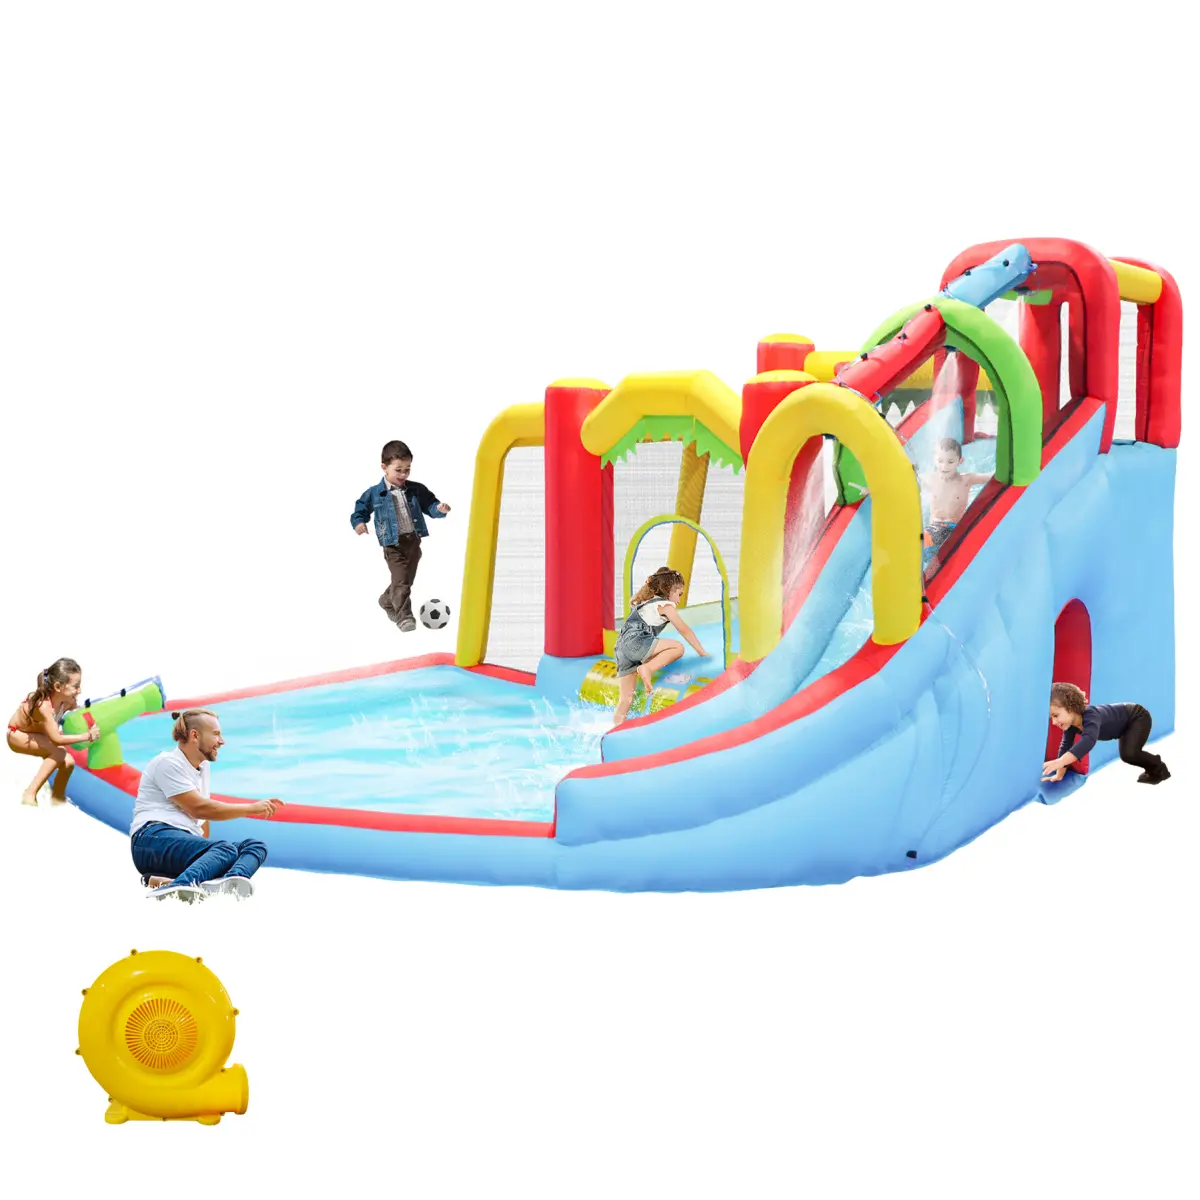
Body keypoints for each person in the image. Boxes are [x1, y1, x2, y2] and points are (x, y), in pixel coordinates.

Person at [131, 708, 282, 902]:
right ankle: (180, 885)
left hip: (180, 845)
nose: (222, 741)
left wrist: (211, 860)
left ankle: (228, 881)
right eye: (216, 734)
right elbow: (199, 808)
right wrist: (251, 809)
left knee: (254, 846)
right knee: (225, 850)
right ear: (195, 735)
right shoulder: (167, 763)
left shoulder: (203, 767)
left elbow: (202, 822)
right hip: (151, 839)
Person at [351, 439, 451, 632]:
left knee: (405, 581)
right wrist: (359, 523)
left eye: (407, 469)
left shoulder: (416, 489)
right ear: (384, 467)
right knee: (402, 582)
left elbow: (430, 505)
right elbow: (360, 509)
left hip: (413, 542)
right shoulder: (375, 493)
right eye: (398, 470)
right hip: (393, 545)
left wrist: (439, 509)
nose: (403, 474)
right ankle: (404, 617)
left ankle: (386, 600)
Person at [611, 567, 710, 727]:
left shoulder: (647, 602)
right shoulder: (666, 606)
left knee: (626, 700)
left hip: (621, 648)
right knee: (678, 648)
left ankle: (615, 729)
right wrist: (701, 652)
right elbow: (684, 629)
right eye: (679, 594)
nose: (679, 600)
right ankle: (647, 668)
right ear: (669, 590)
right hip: (636, 641)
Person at [7, 658, 101, 806]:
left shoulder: (68, 701)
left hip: (39, 735)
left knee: (68, 762)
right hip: (18, 735)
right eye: (76, 686)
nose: (79, 690)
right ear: (58, 687)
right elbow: (56, 739)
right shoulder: (43, 706)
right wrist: (87, 736)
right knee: (59, 753)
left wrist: (92, 721)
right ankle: (30, 793)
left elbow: (79, 714)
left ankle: (57, 797)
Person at [1042, 682, 1170, 785]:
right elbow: (1065, 746)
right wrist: (1059, 774)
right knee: (1127, 754)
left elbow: (1088, 741)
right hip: (1123, 727)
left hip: (1137, 717)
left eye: (1056, 715)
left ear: (1070, 707)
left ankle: (1159, 769)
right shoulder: (1070, 726)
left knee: (1129, 754)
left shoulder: (1090, 715)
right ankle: (1154, 766)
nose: (1053, 722)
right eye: (1051, 717)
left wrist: (1061, 761)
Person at [920, 437, 991, 569]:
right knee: (921, 537)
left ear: (960, 461)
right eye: (940, 461)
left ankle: (935, 568)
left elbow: (990, 477)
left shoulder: (966, 480)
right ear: (934, 460)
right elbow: (907, 479)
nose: (944, 466)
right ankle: (932, 567)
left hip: (954, 529)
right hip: (933, 529)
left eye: (950, 461)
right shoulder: (929, 479)